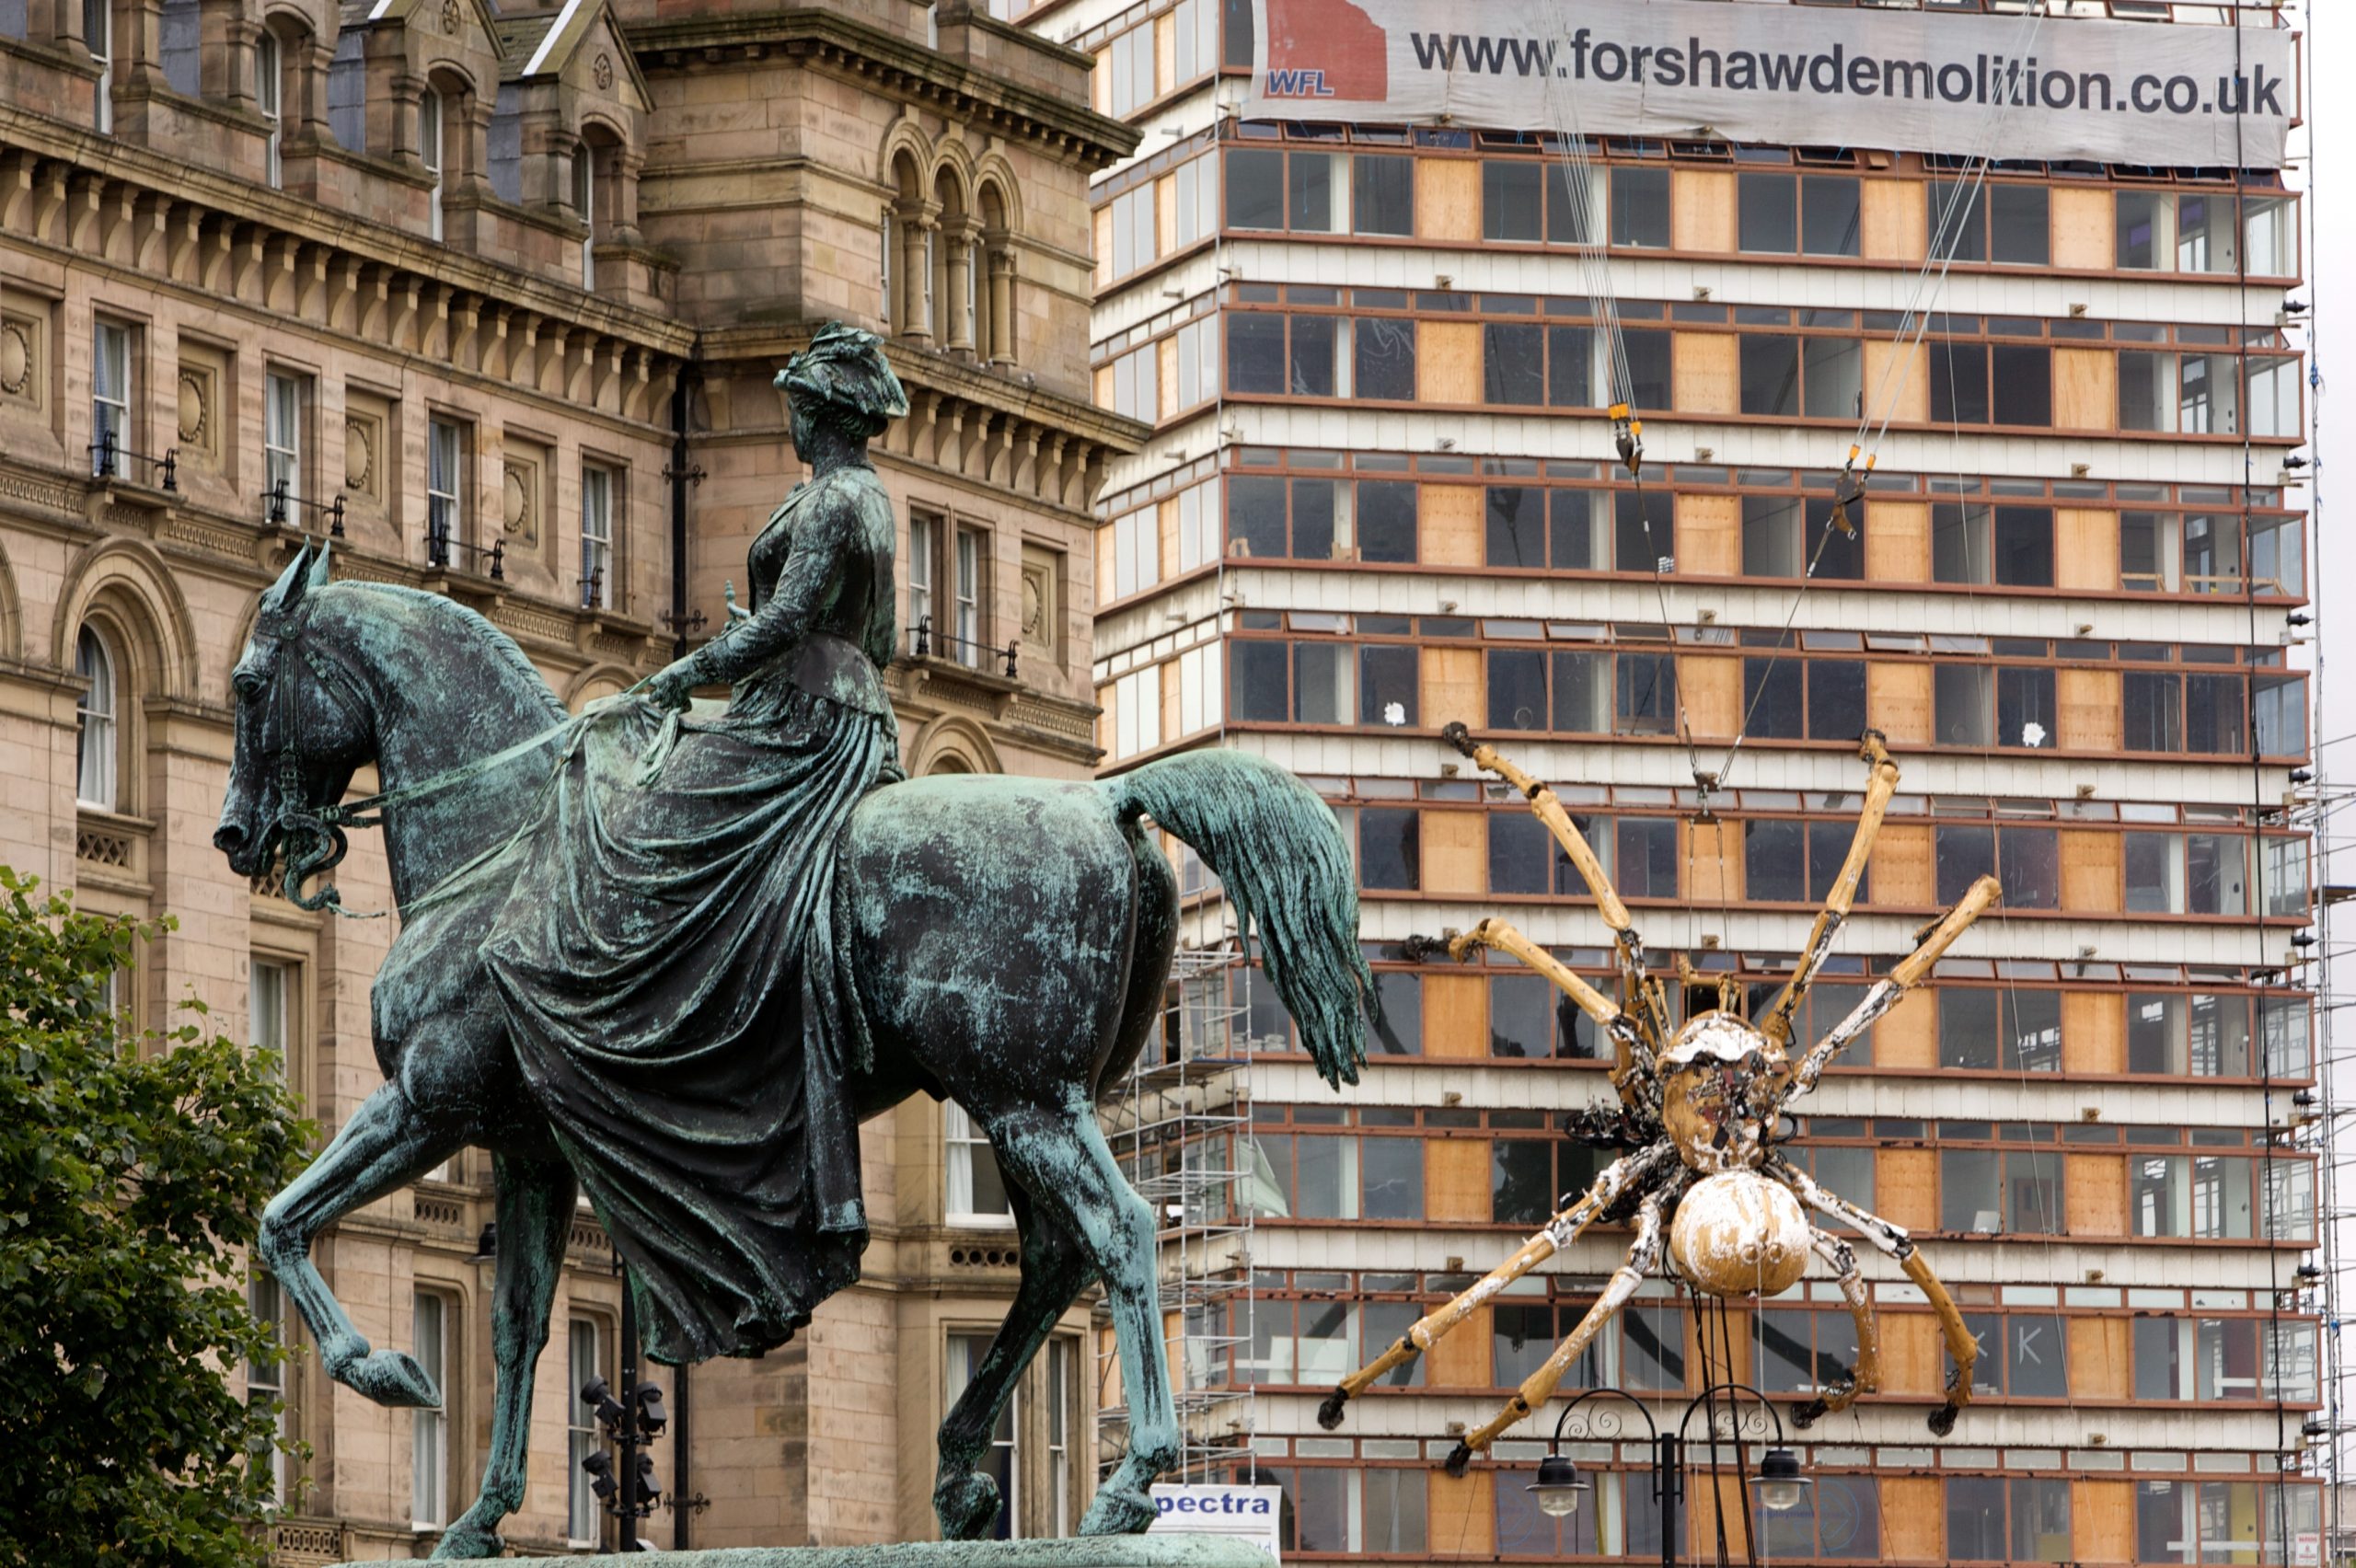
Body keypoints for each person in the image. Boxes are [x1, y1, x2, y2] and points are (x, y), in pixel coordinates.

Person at [485, 322, 908, 1364]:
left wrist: (683, 674)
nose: (792, 414)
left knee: (641, 831)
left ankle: (640, 1036)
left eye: (802, 401)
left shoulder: (835, 501)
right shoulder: (866, 504)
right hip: (846, 712)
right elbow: (878, 640)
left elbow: (791, 621)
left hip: (800, 725)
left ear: (832, 414)